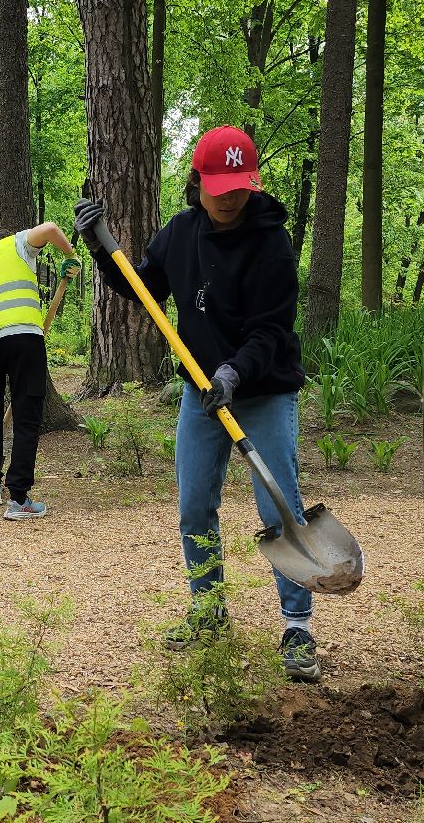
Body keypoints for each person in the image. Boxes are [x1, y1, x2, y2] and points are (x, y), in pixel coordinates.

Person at [75, 125, 321, 683]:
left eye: (240, 185)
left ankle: (298, 625)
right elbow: (142, 289)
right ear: (198, 182)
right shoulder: (181, 234)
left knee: (277, 506)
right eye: (221, 185)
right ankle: (208, 611)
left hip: (262, 389)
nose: (232, 195)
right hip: (200, 391)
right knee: (193, 506)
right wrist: (100, 246)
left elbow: (270, 331)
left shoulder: (271, 243)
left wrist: (234, 372)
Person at [0, 222, 79, 519]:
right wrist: (70, 255)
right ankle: (19, 500)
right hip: (23, 338)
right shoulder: (17, 245)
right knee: (26, 417)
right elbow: (50, 228)